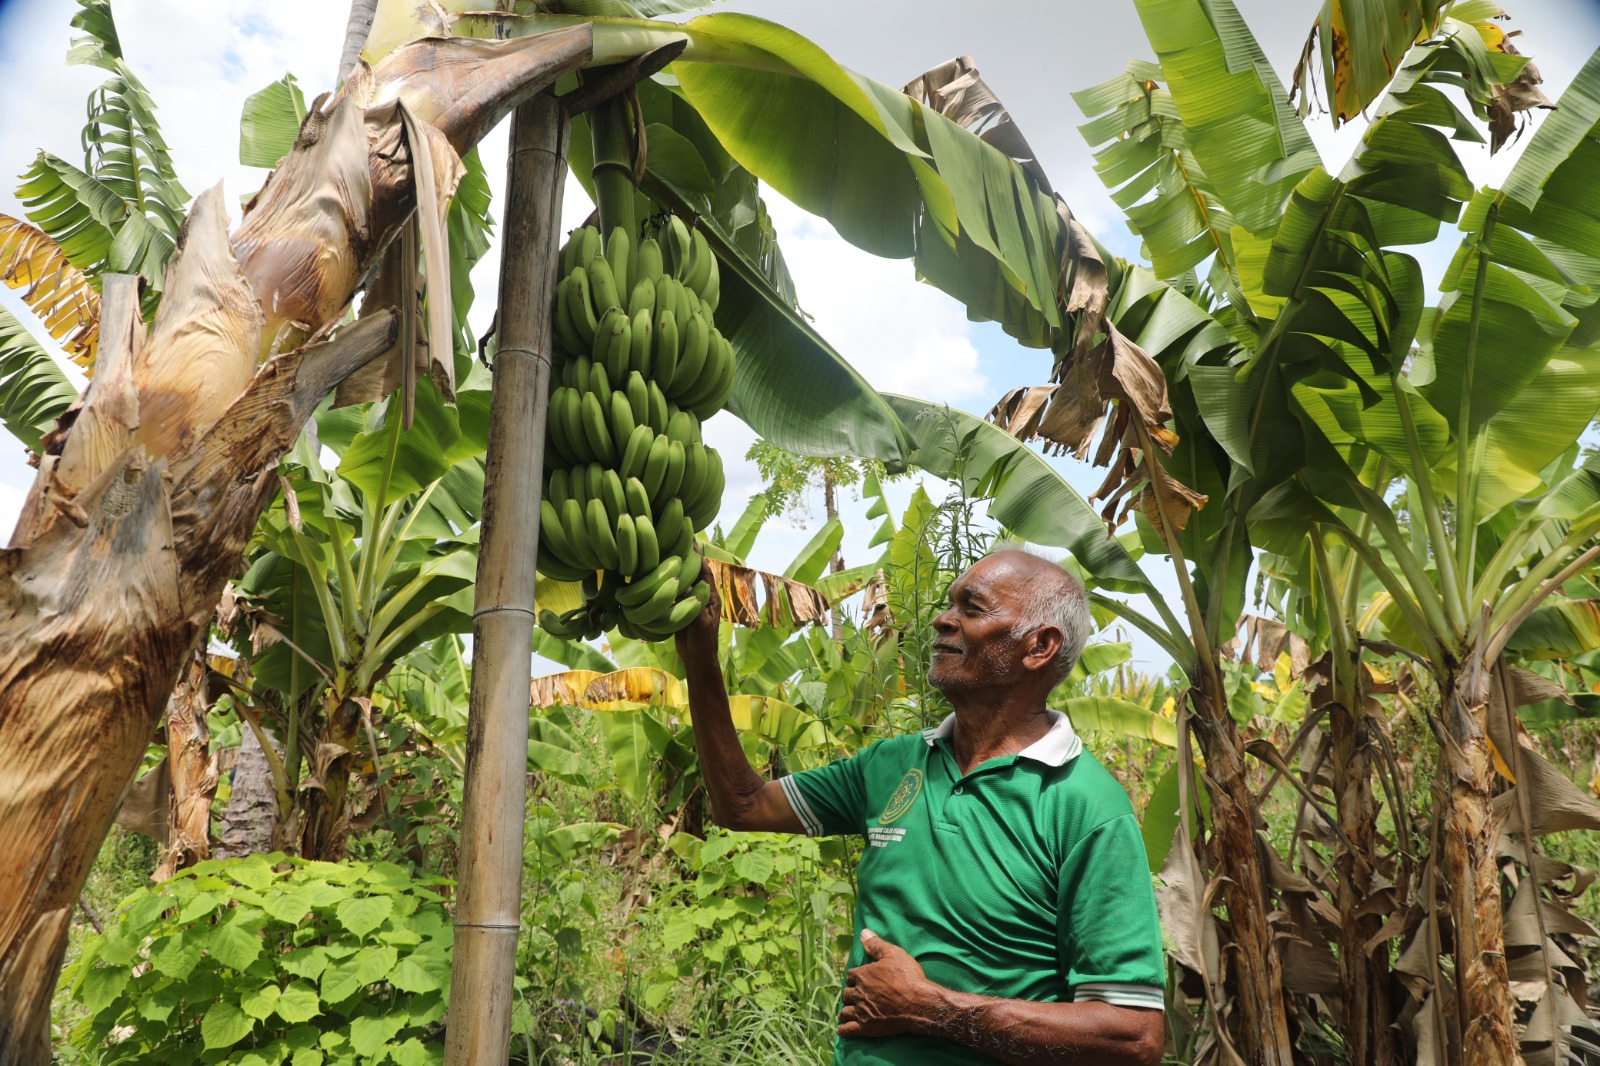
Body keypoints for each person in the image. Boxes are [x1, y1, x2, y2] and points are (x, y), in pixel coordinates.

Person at [674, 548, 1166, 1065]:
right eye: (949, 603)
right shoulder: (890, 766)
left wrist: (932, 1009)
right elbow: (745, 806)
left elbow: (1132, 1036)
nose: (941, 620)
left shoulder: (1085, 806)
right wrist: (702, 662)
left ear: (1040, 646)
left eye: (971, 609)